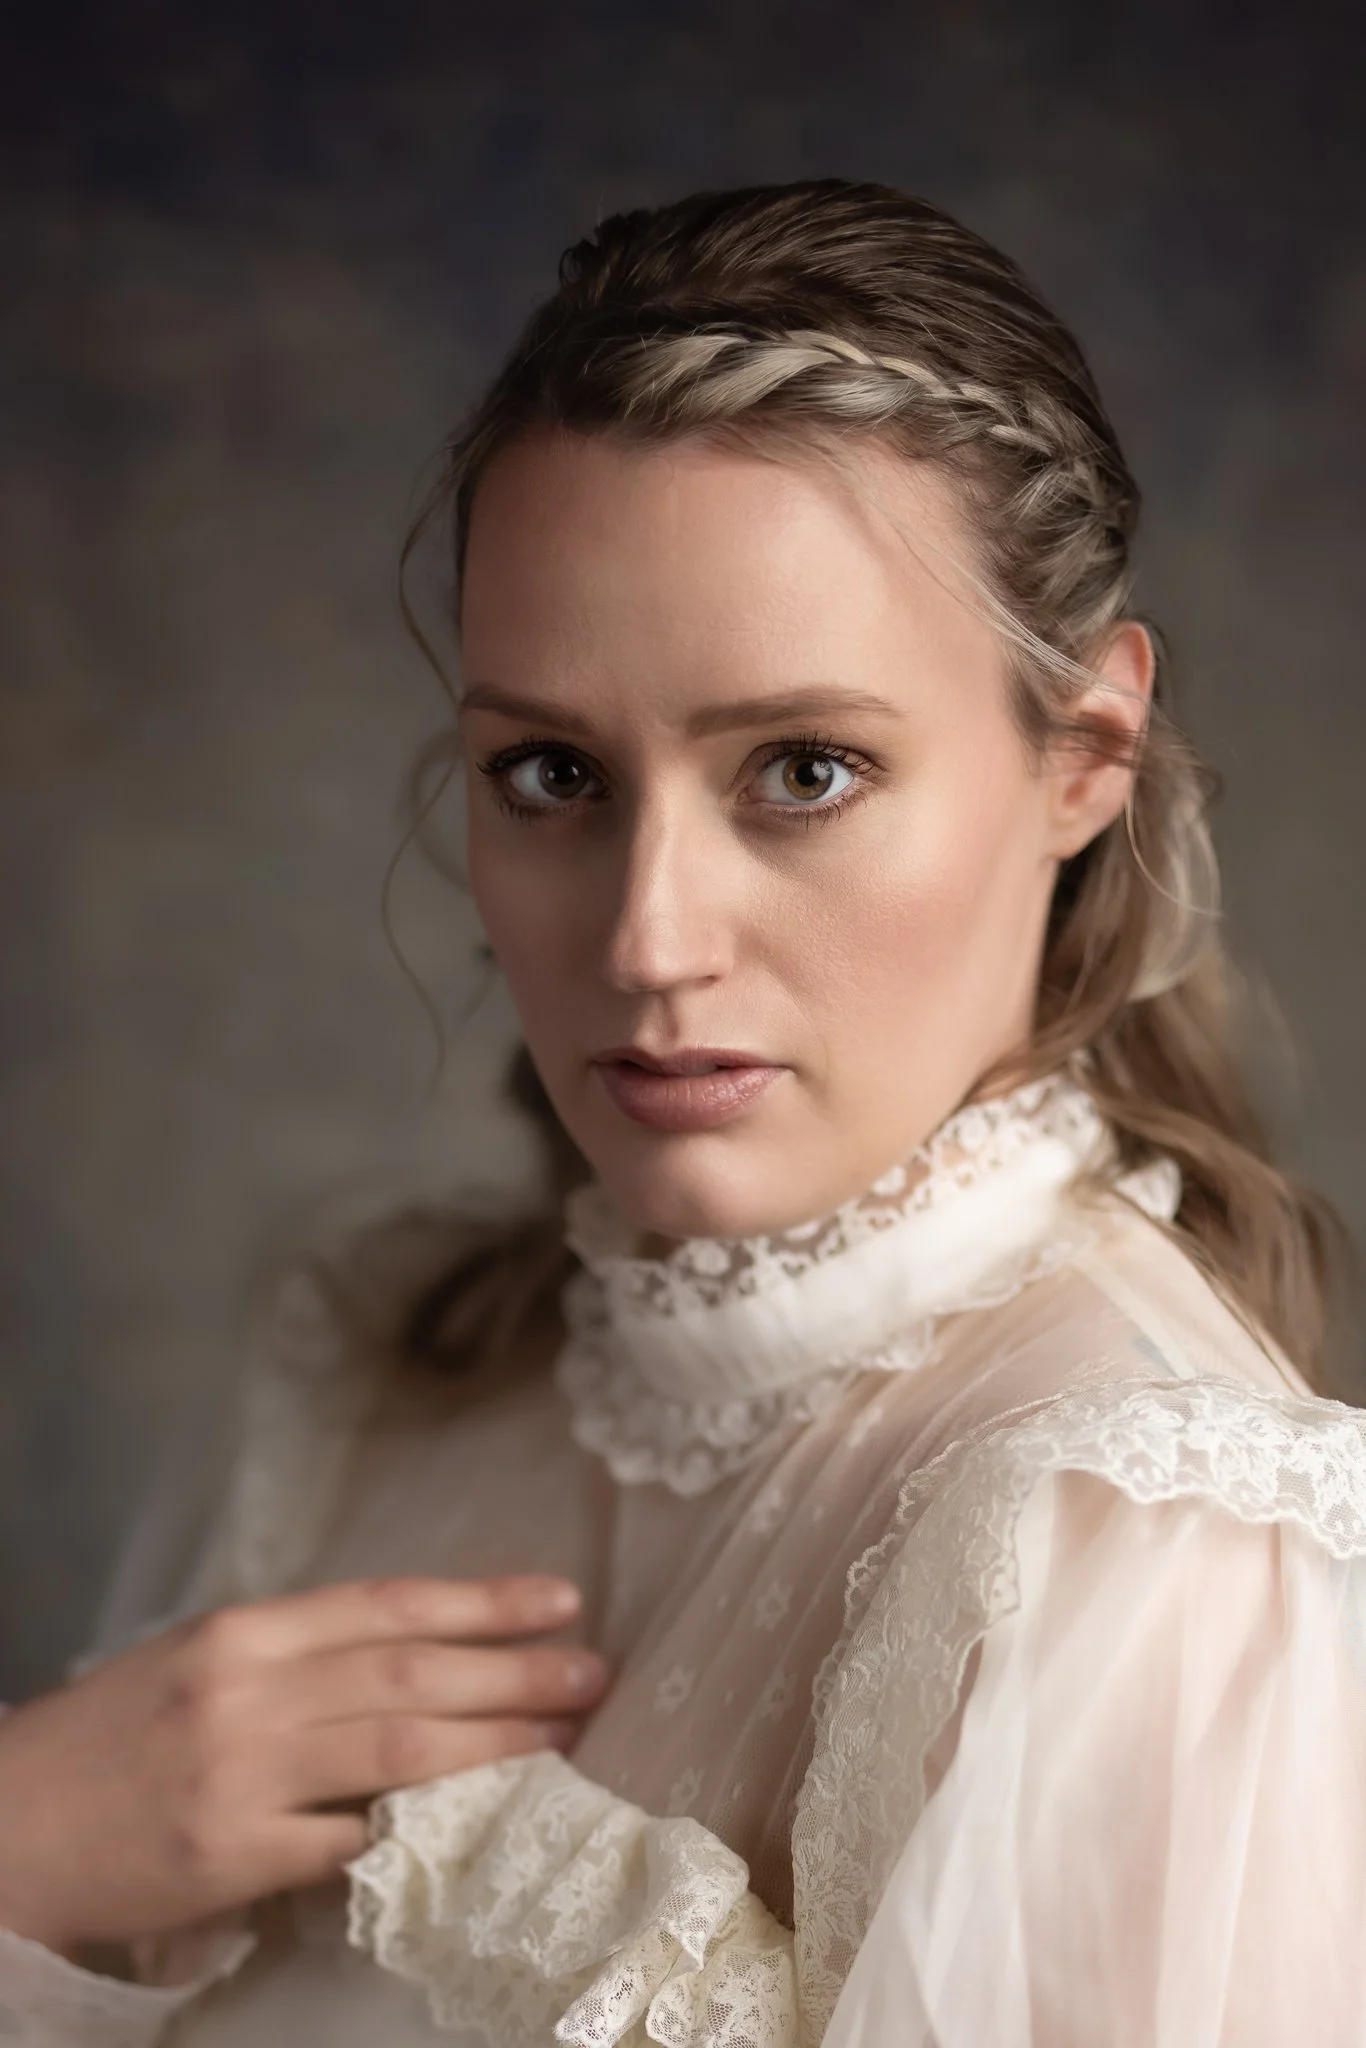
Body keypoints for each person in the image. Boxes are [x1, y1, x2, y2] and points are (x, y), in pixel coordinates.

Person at [1, 178, 1363, 2047]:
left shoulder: (1136, 1543)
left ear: (1081, 759)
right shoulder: (374, 1358)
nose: (648, 938)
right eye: (549, 772)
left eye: (803, 769)